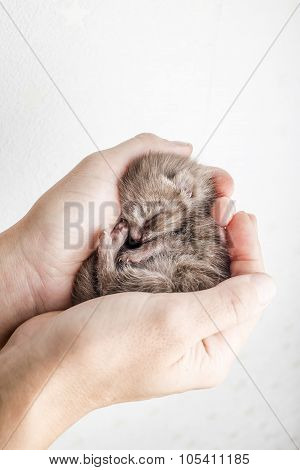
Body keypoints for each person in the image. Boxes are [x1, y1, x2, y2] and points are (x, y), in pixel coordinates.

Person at [0, 134, 275, 449]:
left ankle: (107, 272)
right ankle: (108, 273)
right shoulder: (164, 207)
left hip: (174, 276)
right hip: (132, 279)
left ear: (186, 188)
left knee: (166, 280)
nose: (135, 233)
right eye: (131, 220)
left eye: (151, 217)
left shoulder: (196, 218)